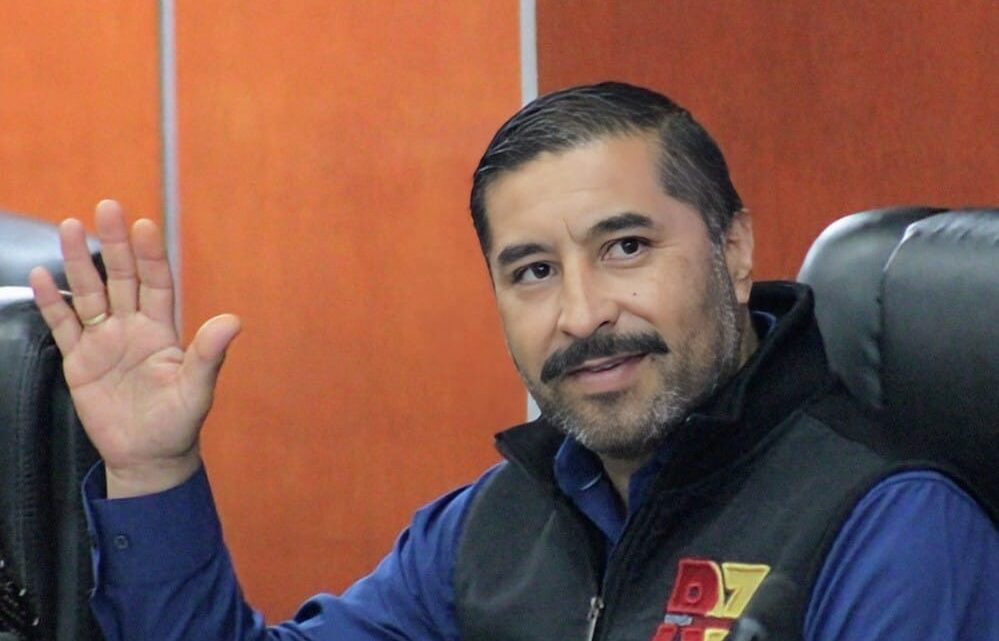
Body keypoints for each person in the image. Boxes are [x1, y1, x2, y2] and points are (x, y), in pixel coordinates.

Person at [30, 82, 996, 641]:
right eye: (533, 270)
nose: (581, 313)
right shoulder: (490, 525)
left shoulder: (895, 526)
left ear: (732, 249)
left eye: (625, 247)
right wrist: (152, 469)